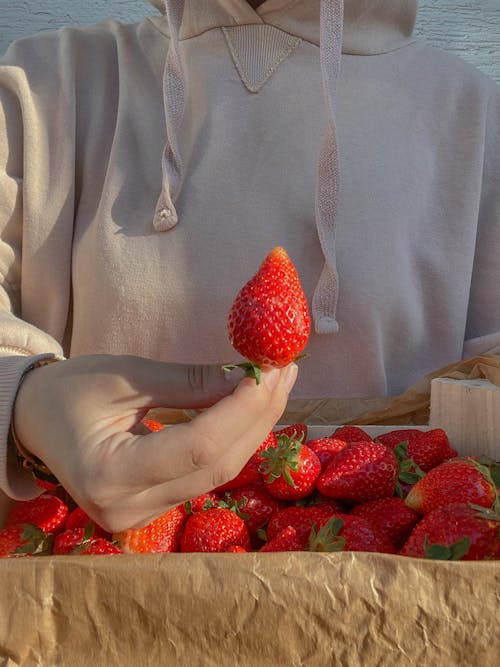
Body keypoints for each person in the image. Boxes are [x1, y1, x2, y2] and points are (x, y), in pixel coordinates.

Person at [1, 0, 499, 532]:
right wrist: (21, 399)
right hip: (91, 600)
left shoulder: (477, 118)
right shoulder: (40, 89)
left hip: (386, 605)